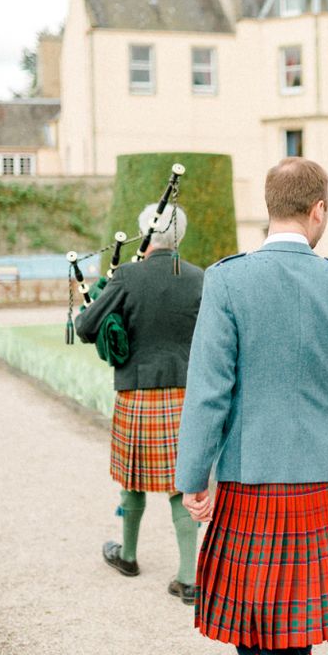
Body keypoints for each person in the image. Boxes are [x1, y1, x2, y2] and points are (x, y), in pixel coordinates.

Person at [175, 157, 328, 655]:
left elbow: (209, 389)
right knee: (291, 619)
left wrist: (193, 476)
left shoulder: (228, 279)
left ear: (269, 208)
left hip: (252, 475)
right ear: (319, 210)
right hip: (322, 475)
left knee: (248, 624)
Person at [75, 203, 204, 605]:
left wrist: (99, 296)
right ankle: (188, 578)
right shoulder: (202, 278)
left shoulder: (128, 276)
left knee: (133, 477)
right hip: (187, 394)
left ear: (145, 236)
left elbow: (85, 326)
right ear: (179, 236)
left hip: (137, 392)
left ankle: (128, 557)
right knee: (181, 483)